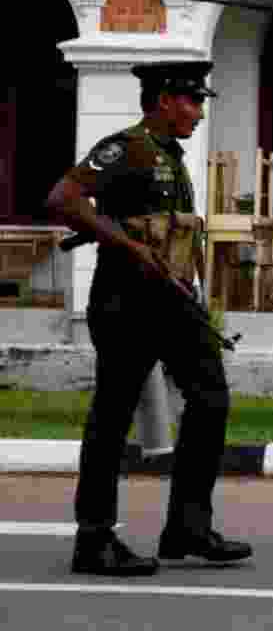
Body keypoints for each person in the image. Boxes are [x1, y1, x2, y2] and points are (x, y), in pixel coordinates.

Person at [46, 60, 253, 576]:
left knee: (210, 398)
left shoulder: (169, 155)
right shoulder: (127, 148)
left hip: (174, 300)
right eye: (193, 101)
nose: (199, 113)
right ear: (164, 100)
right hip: (127, 302)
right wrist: (126, 244)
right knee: (112, 417)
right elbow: (63, 198)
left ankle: (188, 527)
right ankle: (94, 541)